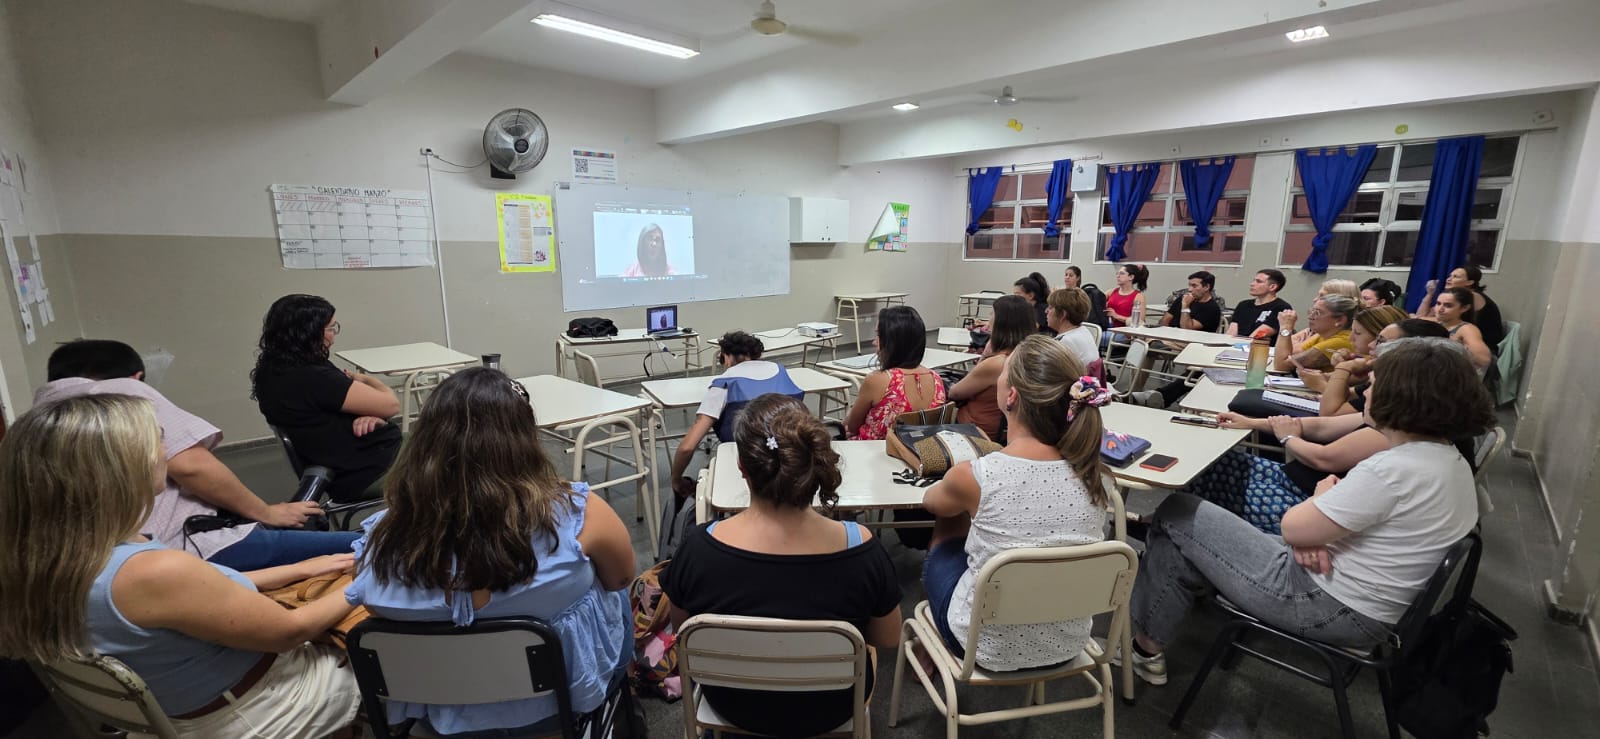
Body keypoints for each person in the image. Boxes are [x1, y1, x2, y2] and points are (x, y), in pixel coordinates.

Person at [1121, 338, 1493, 686]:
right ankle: (1145, 649)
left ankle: (1143, 645)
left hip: (1327, 606)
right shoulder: (1449, 461)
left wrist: (1318, 499)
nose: (1366, 393)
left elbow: (1294, 527)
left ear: (1403, 396)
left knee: (1179, 512)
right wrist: (1308, 535)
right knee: (1183, 536)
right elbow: (1311, 532)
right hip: (1364, 602)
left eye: (1374, 384)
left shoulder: (1393, 470)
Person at [0, 394, 361, 736]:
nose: (165, 454)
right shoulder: (154, 571)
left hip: (176, 712)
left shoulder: (46, 557)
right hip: (255, 712)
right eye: (157, 442)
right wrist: (370, 576)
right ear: (122, 468)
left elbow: (187, 596)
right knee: (381, 654)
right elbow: (289, 632)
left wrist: (298, 569)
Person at [348, 368, 633, 736]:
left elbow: (370, 603)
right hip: (554, 709)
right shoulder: (578, 513)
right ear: (523, 439)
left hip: (438, 713)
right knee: (614, 588)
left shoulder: (379, 542)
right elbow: (621, 577)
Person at [664, 394, 901, 738]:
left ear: (742, 469)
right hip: (832, 707)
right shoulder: (862, 548)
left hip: (731, 703)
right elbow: (887, 636)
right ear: (812, 462)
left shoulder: (698, 548)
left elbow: (682, 632)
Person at [35, 340, 359, 570]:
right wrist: (267, 512)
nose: (162, 451)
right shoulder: (124, 393)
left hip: (115, 552)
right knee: (365, 548)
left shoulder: (40, 417)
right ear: (135, 377)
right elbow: (191, 467)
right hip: (188, 545)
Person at [921, 336, 1111, 671]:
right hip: (1068, 641)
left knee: (950, 522)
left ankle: (935, 641)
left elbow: (932, 502)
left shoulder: (976, 476)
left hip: (983, 645)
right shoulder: (1096, 476)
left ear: (1011, 396)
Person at [251, 294, 402, 503]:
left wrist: (372, 415)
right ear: (309, 333)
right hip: (365, 471)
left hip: (341, 462)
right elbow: (391, 405)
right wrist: (369, 380)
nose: (334, 336)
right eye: (330, 328)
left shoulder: (272, 370)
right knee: (453, 452)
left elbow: (328, 408)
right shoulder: (313, 376)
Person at [1194, 411, 1390, 533]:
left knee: (1199, 483)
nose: (1364, 391)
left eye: (1372, 385)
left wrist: (1288, 437)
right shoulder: (1376, 418)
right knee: (1212, 460)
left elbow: (1322, 459)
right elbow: (1323, 426)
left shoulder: (1385, 436)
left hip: (1302, 502)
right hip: (1288, 478)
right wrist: (1251, 423)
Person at [670, 331, 803, 501]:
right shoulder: (781, 371)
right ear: (758, 355)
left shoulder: (724, 383)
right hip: (792, 459)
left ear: (725, 357)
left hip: (747, 465)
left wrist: (676, 479)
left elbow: (687, 447)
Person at [845, 306, 946, 441]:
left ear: (892, 342)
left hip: (876, 454)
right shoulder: (936, 379)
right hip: (919, 453)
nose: (875, 342)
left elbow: (852, 427)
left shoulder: (879, 380)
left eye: (879, 336)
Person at [1296, 306, 1408, 415]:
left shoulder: (1394, 378)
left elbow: (1332, 411)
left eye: (1358, 333)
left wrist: (1323, 382)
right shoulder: (1369, 364)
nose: (1350, 338)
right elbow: (1348, 395)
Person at [951, 296, 1035, 440]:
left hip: (975, 430)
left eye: (992, 314)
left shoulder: (998, 363)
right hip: (1004, 429)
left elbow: (955, 393)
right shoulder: (1029, 355)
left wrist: (984, 356)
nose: (989, 319)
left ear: (1002, 322)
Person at [1417, 266, 1504, 352]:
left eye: (1455, 277)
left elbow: (1427, 317)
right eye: (1450, 276)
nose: (1448, 279)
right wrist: (1429, 294)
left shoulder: (1473, 295)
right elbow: (1424, 314)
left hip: (1482, 346)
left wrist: (1418, 319)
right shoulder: (1454, 296)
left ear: (1469, 282)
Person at [1273, 294, 1357, 373]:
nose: (1310, 317)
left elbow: (1282, 365)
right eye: (1311, 311)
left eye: (1317, 313)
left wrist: (1285, 327)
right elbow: (1290, 355)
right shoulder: (1322, 335)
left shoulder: (1341, 341)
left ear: (1340, 320)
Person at [1432, 287, 1493, 371]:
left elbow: (1484, 360)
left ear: (1464, 308)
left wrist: (1457, 346)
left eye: (1448, 305)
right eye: (1438, 304)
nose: (1440, 309)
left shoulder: (1467, 329)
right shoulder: (1440, 323)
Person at [1226, 269, 1293, 339]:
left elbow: (1257, 336)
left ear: (1272, 287)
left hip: (1261, 347)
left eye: (1258, 281)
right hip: (1237, 345)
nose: (1252, 284)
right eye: (1253, 280)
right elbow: (1231, 332)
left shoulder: (1281, 307)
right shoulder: (1243, 305)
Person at [1047, 287, 1100, 367]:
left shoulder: (1064, 343)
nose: (1046, 311)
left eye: (1050, 308)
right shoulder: (1083, 330)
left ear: (1062, 314)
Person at [1066, 265, 1112, 331]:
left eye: (1070, 275)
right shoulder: (1063, 292)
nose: (1067, 277)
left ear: (1078, 278)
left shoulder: (1080, 294)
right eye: (1066, 275)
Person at [1104, 263, 1149, 329]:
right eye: (1117, 273)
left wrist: (1116, 316)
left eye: (1122, 273)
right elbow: (1097, 300)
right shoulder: (1111, 292)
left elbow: (1139, 322)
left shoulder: (1138, 296)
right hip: (1108, 327)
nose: (1118, 276)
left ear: (1131, 277)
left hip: (1125, 331)